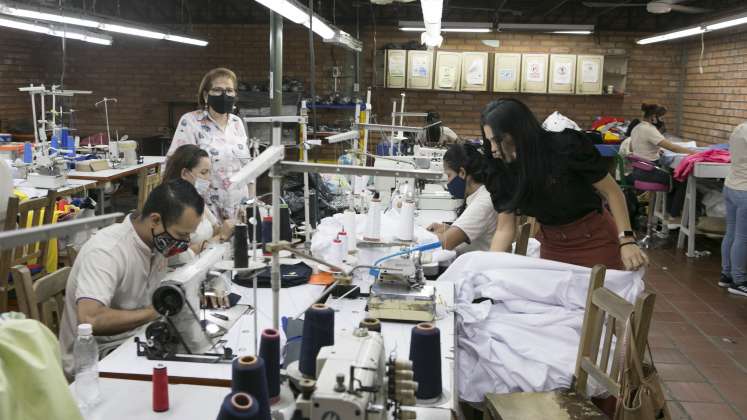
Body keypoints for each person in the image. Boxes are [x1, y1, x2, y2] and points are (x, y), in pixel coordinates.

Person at [58, 180, 204, 378]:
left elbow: (190, 261)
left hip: (134, 341)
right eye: (181, 234)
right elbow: (90, 319)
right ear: (154, 220)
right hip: (95, 361)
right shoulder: (107, 252)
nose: (184, 243)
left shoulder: (157, 242)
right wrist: (156, 311)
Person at [482, 99, 647, 271]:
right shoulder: (502, 171)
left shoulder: (564, 148)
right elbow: (504, 229)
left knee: (597, 295)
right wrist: (491, 270)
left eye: (498, 140)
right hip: (553, 247)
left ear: (519, 132)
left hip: (595, 240)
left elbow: (613, 193)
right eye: (489, 142)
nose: (493, 149)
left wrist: (627, 240)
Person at [167, 67, 252, 221]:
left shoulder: (237, 123)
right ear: (206, 95)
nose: (224, 95)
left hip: (238, 209)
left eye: (229, 90)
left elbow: (248, 170)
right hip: (204, 210)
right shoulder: (191, 122)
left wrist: (250, 205)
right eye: (218, 90)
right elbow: (175, 168)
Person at [426, 143, 502, 254]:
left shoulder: (483, 203)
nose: (448, 183)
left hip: (477, 266)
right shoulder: (481, 195)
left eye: (449, 175)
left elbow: (445, 244)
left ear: (462, 173)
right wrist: (449, 229)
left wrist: (422, 234)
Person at [163, 144, 234, 255]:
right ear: (185, 174)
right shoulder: (172, 207)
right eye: (203, 172)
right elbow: (180, 256)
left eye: (209, 172)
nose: (209, 179)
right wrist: (221, 237)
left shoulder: (197, 199)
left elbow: (216, 229)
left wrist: (230, 226)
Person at [720, 122, 747, 296]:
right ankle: (739, 282)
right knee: (742, 237)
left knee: (731, 233)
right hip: (745, 190)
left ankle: (726, 274)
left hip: (730, 186)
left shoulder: (740, 128)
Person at [627, 103, 695, 162]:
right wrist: (693, 153)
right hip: (648, 169)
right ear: (653, 117)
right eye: (661, 118)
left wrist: (652, 150)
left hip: (638, 167)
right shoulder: (649, 129)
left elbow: (631, 148)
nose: (662, 121)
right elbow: (672, 148)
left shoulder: (637, 127)